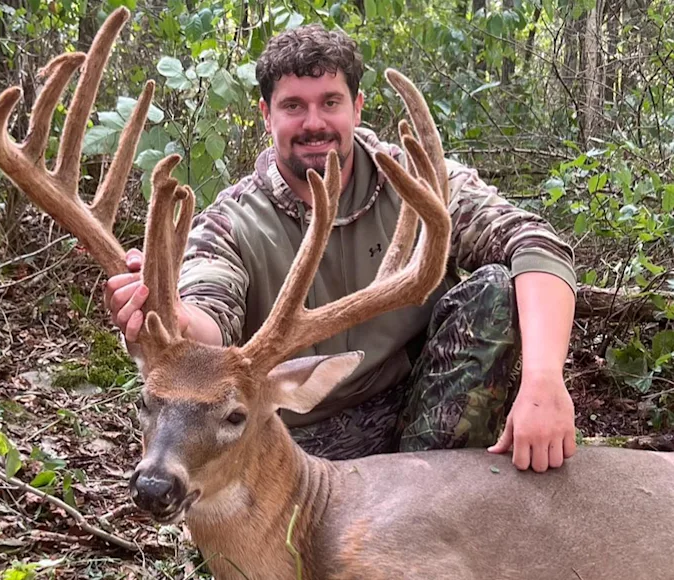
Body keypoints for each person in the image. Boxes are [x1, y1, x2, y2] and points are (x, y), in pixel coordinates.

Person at [105, 24, 577, 473]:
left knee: (493, 289)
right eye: (293, 106)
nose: (314, 123)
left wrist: (543, 381)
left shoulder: (420, 183)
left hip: (422, 411)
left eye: (330, 102)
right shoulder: (230, 223)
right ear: (267, 115)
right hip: (301, 441)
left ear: (357, 107)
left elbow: (535, 244)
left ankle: (429, 492)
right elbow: (209, 314)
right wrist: (171, 317)